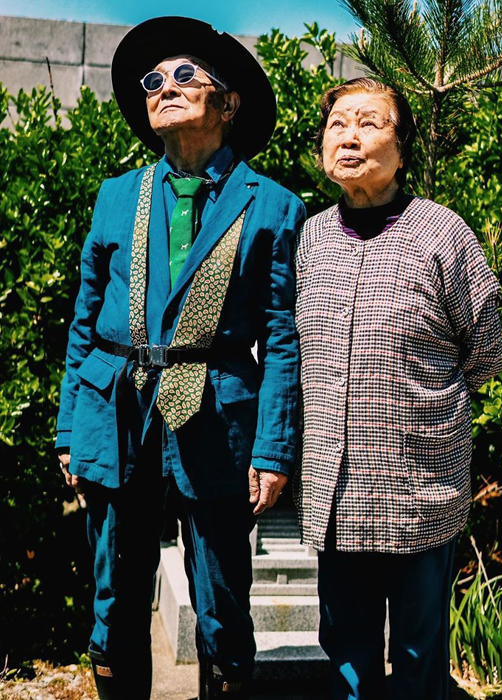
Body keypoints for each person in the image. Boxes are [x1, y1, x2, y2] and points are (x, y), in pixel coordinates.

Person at [56, 16, 304, 700]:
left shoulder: (273, 206)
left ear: (229, 102)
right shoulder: (117, 196)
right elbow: (84, 321)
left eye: (185, 74)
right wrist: (70, 427)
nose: (164, 86)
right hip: (115, 409)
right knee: (114, 596)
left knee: (222, 601)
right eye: (152, 80)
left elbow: (282, 336)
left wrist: (274, 448)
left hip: (218, 416)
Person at [294, 78, 502, 700]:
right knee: (346, 653)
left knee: (418, 657)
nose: (349, 137)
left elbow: (484, 354)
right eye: (337, 124)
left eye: (369, 122)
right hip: (335, 491)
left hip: (419, 489)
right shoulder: (311, 238)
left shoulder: (443, 234)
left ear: (402, 148)